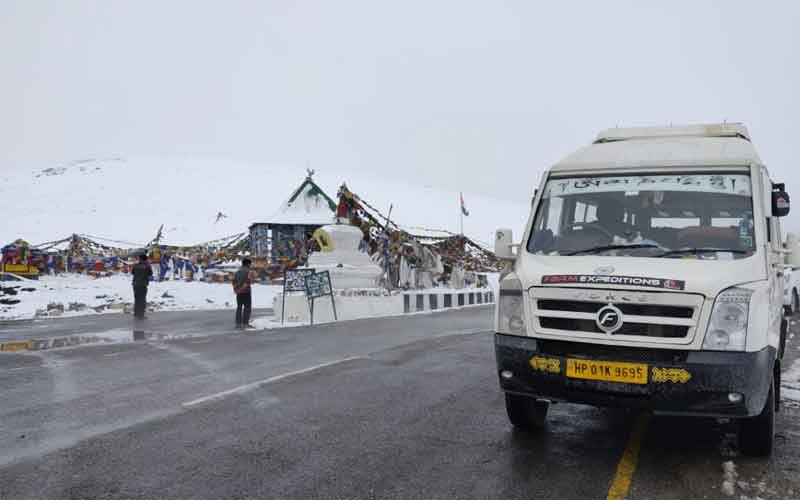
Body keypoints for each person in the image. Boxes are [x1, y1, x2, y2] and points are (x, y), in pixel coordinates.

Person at [233, 258, 253, 329]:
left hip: (239, 292)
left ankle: (238, 323)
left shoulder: (237, 272)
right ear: (248, 264)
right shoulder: (249, 271)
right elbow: (248, 281)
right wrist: (244, 287)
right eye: (250, 264)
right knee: (247, 307)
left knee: (239, 307)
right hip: (246, 291)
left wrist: (236, 289)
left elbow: (234, 281)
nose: (251, 265)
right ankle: (245, 323)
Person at [131, 253, 153, 319]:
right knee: (142, 299)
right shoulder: (147, 266)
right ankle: (141, 314)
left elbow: (132, 272)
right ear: (146, 259)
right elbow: (150, 273)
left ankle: (136, 313)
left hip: (135, 284)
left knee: (137, 299)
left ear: (139, 259)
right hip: (143, 284)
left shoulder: (135, 265)